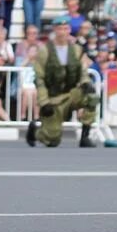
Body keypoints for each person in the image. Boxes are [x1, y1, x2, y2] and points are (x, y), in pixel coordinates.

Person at [26, 16, 99, 148]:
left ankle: (85, 137)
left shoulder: (76, 49)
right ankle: (35, 131)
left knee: (92, 98)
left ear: (69, 30)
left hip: (71, 93)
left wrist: (86, 83)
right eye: (60, 29)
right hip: (54, 98)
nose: (63, 32)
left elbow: (82, 71)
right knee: (52, 140)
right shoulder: (44, 51)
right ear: (55, 30)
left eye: (65, 29)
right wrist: (44, 102)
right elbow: (39, 79)